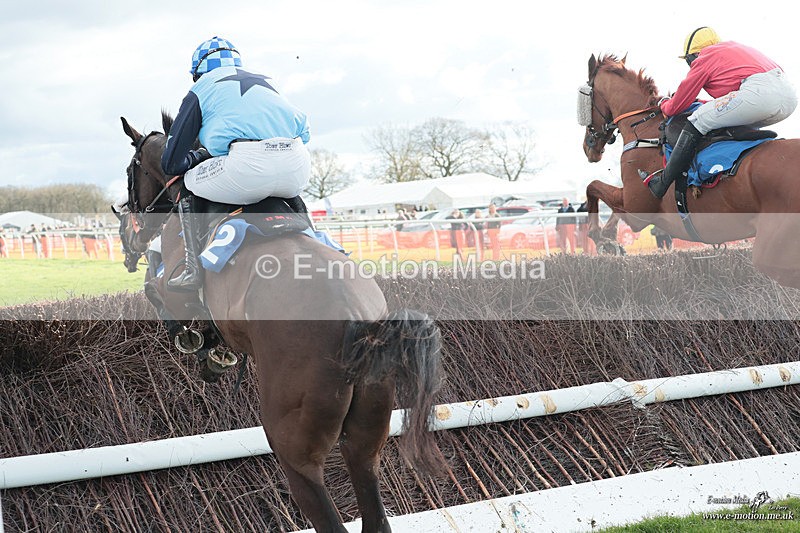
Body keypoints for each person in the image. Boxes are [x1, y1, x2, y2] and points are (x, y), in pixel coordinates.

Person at [161, 36, 312, 291]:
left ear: (198, 72)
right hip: (297, 166)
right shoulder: (268, 81)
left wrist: (197, 157)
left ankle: (192, 270)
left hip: (245, 169)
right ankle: (314, 236)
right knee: (291, 187)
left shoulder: (201, 88)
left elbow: (171, 163)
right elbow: (305, 132)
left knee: (187, 181)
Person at [649, 27, 798, 199]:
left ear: (693, 55)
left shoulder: (705, 57)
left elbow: (676, 105)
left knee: (698, 118)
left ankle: (663, 182)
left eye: (688, 61)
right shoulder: (734, 49)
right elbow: (732, 101)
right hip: (789, 98)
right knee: (720, 117)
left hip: (760, 95)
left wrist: (664, 105)